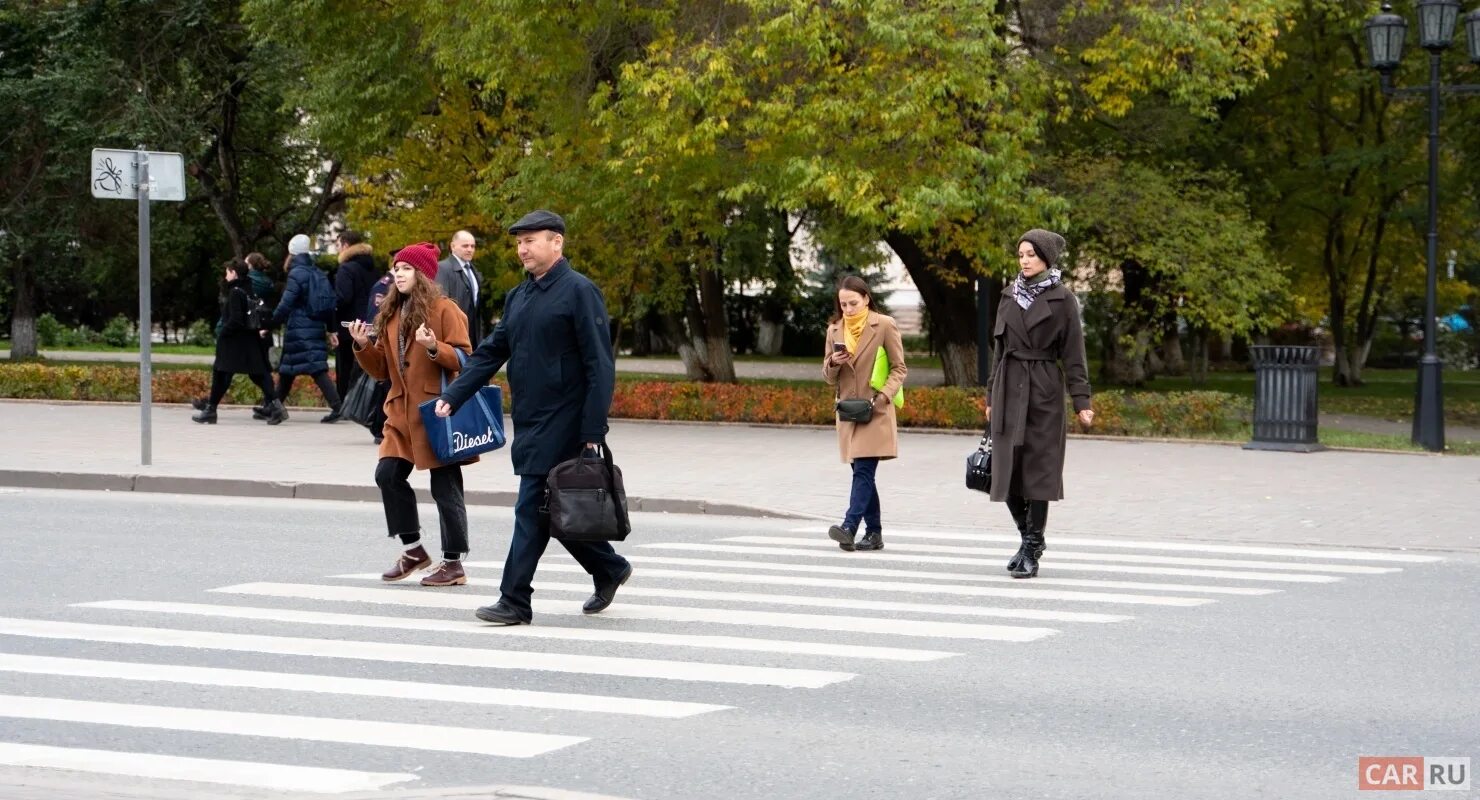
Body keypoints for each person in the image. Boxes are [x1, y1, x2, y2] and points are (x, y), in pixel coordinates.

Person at [436, 210, 631, 626]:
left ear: (556, 243)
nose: (522, 249)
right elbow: (491, 350)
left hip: (567, 420)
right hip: (530, 418)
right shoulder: (519, 296)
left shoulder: (580, 292)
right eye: (519, 242)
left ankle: (515, 599)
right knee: (550, 508)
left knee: (531, 506)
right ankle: (609, 568)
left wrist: (593, 430)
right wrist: (455, 394)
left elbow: (601, 365)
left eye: (531, 240)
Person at [347, 241, 475, 587]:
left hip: (437, 412)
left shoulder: (445, 310)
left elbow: (466, 359)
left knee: (445, 487)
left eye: (405, 268)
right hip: (400, 414)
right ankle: (414, 549)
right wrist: (361, 345)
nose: (397, 274)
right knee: (387, 475)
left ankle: (453, 564)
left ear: (423, 275)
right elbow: (381, 370)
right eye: (396, 268)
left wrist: (435, 347)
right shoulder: (390, 313)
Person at [984, 229, 1094, 579]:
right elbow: (997, 352)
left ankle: (1032, 547)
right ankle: (1028, 538)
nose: (1025, 260)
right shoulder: (1007, 296)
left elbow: (1074, 355)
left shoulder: (1063, 300)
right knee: (1005, 472)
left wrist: (1081, 400)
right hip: (1007, 388)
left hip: (1044, 390)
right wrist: (990, 396)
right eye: (1020, 255)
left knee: (1038, 473)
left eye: (1031, 254)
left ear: (1046, 257)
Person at [822, 275, 907, 552]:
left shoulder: (884, 325)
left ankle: (849, 526)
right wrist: (834, 362)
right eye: (843, 304)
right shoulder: (835, 329)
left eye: (853, 303)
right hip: (847, 412)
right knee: (862, 474)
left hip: (875, 411)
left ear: (866, 299)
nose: (848, 309)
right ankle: (874, 533)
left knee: (863, 472)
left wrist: (883, 397)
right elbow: (827, 376)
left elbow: (899, 368)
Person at [192, 259, 284, 424]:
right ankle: (277, 408)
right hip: (251, 339)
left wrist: (224, 332)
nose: (225, 275)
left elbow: (236, 319)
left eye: (227, 272)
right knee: (259, 375)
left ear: (234, 273)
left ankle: (211, 410)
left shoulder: (235, 291)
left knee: (220, 373)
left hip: (234, 342)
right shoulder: (249, 289)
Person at [269, 234, 343, 422]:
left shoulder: (297, 273)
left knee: (315, 369)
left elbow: (287, 302)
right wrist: (331, 328)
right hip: (315, 325)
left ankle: (338, 407)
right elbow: (329, 302)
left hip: (300, 327)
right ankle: (273, 405)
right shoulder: (316, 272)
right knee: (289, 369)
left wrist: (271, 322)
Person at [333, 231, 382, 404]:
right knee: (366, 364)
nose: (337, 249)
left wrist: (331, 307)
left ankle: (342, 404)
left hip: (349, 325)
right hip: (370, 323)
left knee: (344, 365)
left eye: (338, 245)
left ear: (346, 245)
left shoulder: (346, 268)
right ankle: (363, 403)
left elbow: (343, 297)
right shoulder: (372, 267)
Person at [437, 230, 482, 344]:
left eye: (472, 246)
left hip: (473, 337)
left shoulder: (473, 270)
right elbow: (441, 303)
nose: (470, 249)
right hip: (453, 336)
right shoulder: (443, 268)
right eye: (465, 246)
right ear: (453, 246)